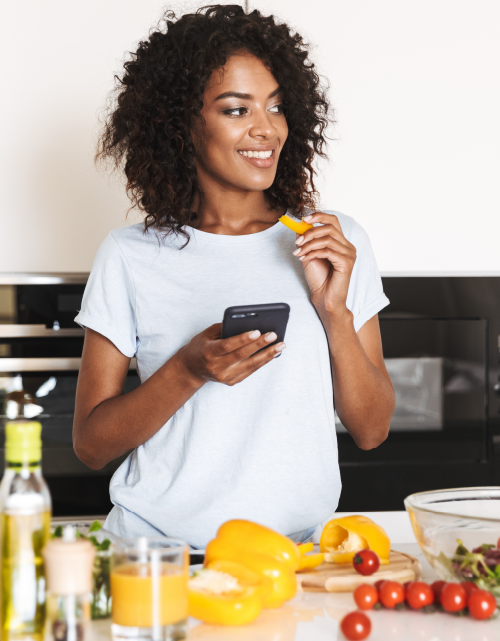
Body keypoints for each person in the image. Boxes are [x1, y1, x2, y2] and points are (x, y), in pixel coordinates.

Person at [73, 5, 395, 549]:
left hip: (298, 555)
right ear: (182, 123)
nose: (265, 129)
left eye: (275, 106)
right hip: (160, 556)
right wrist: (188, 369)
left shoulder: (331, 242)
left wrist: (334, 311)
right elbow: (90, 444)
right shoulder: (129, 255)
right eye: (236, 109)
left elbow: (371, 429)